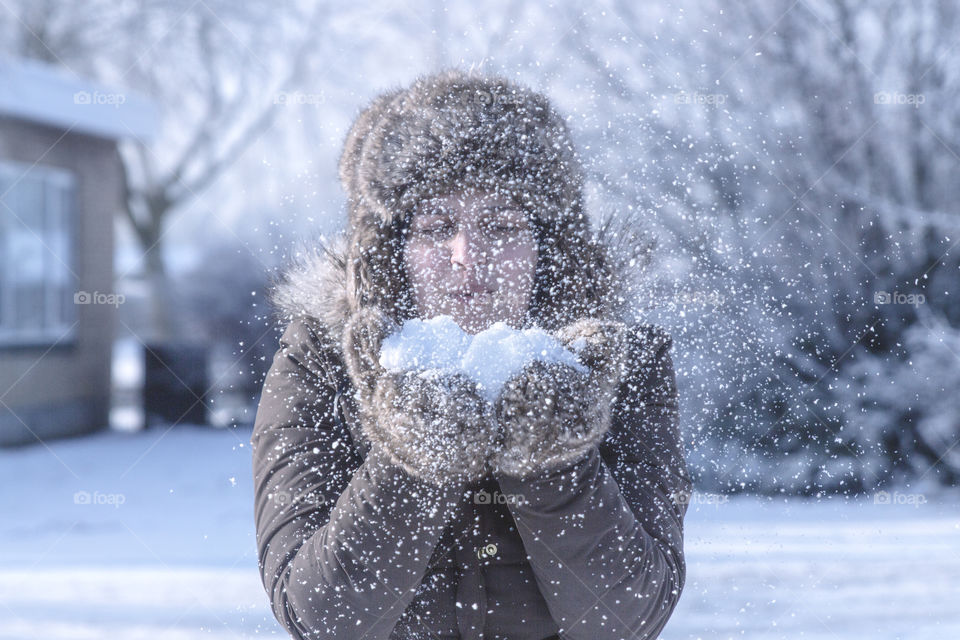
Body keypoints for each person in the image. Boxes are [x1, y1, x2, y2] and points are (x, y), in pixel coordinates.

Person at [251, 68, 692, 640]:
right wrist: (413, 455)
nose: (468, 256)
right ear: (392, 248)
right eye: (437, 226)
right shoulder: (321, 361)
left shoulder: (617, 365)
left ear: (548, 246)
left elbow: (629, 619)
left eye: (503, 224)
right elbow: (320, 618)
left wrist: (552, 455)